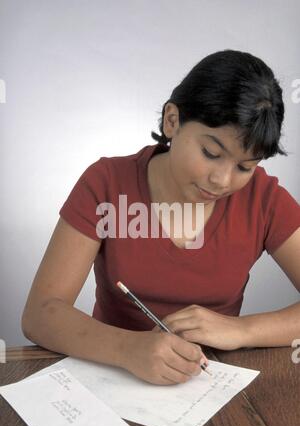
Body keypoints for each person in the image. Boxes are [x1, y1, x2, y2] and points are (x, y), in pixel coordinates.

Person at [22, 49, 300, 386]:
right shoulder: (107, 183)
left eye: (245, 166)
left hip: (207, 385)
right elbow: (41, 313)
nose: (223, 181)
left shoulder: (263, 200)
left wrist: (241, 330)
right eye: (211, 153)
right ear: (173, 121)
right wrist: (129, 349)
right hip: (112, 376)